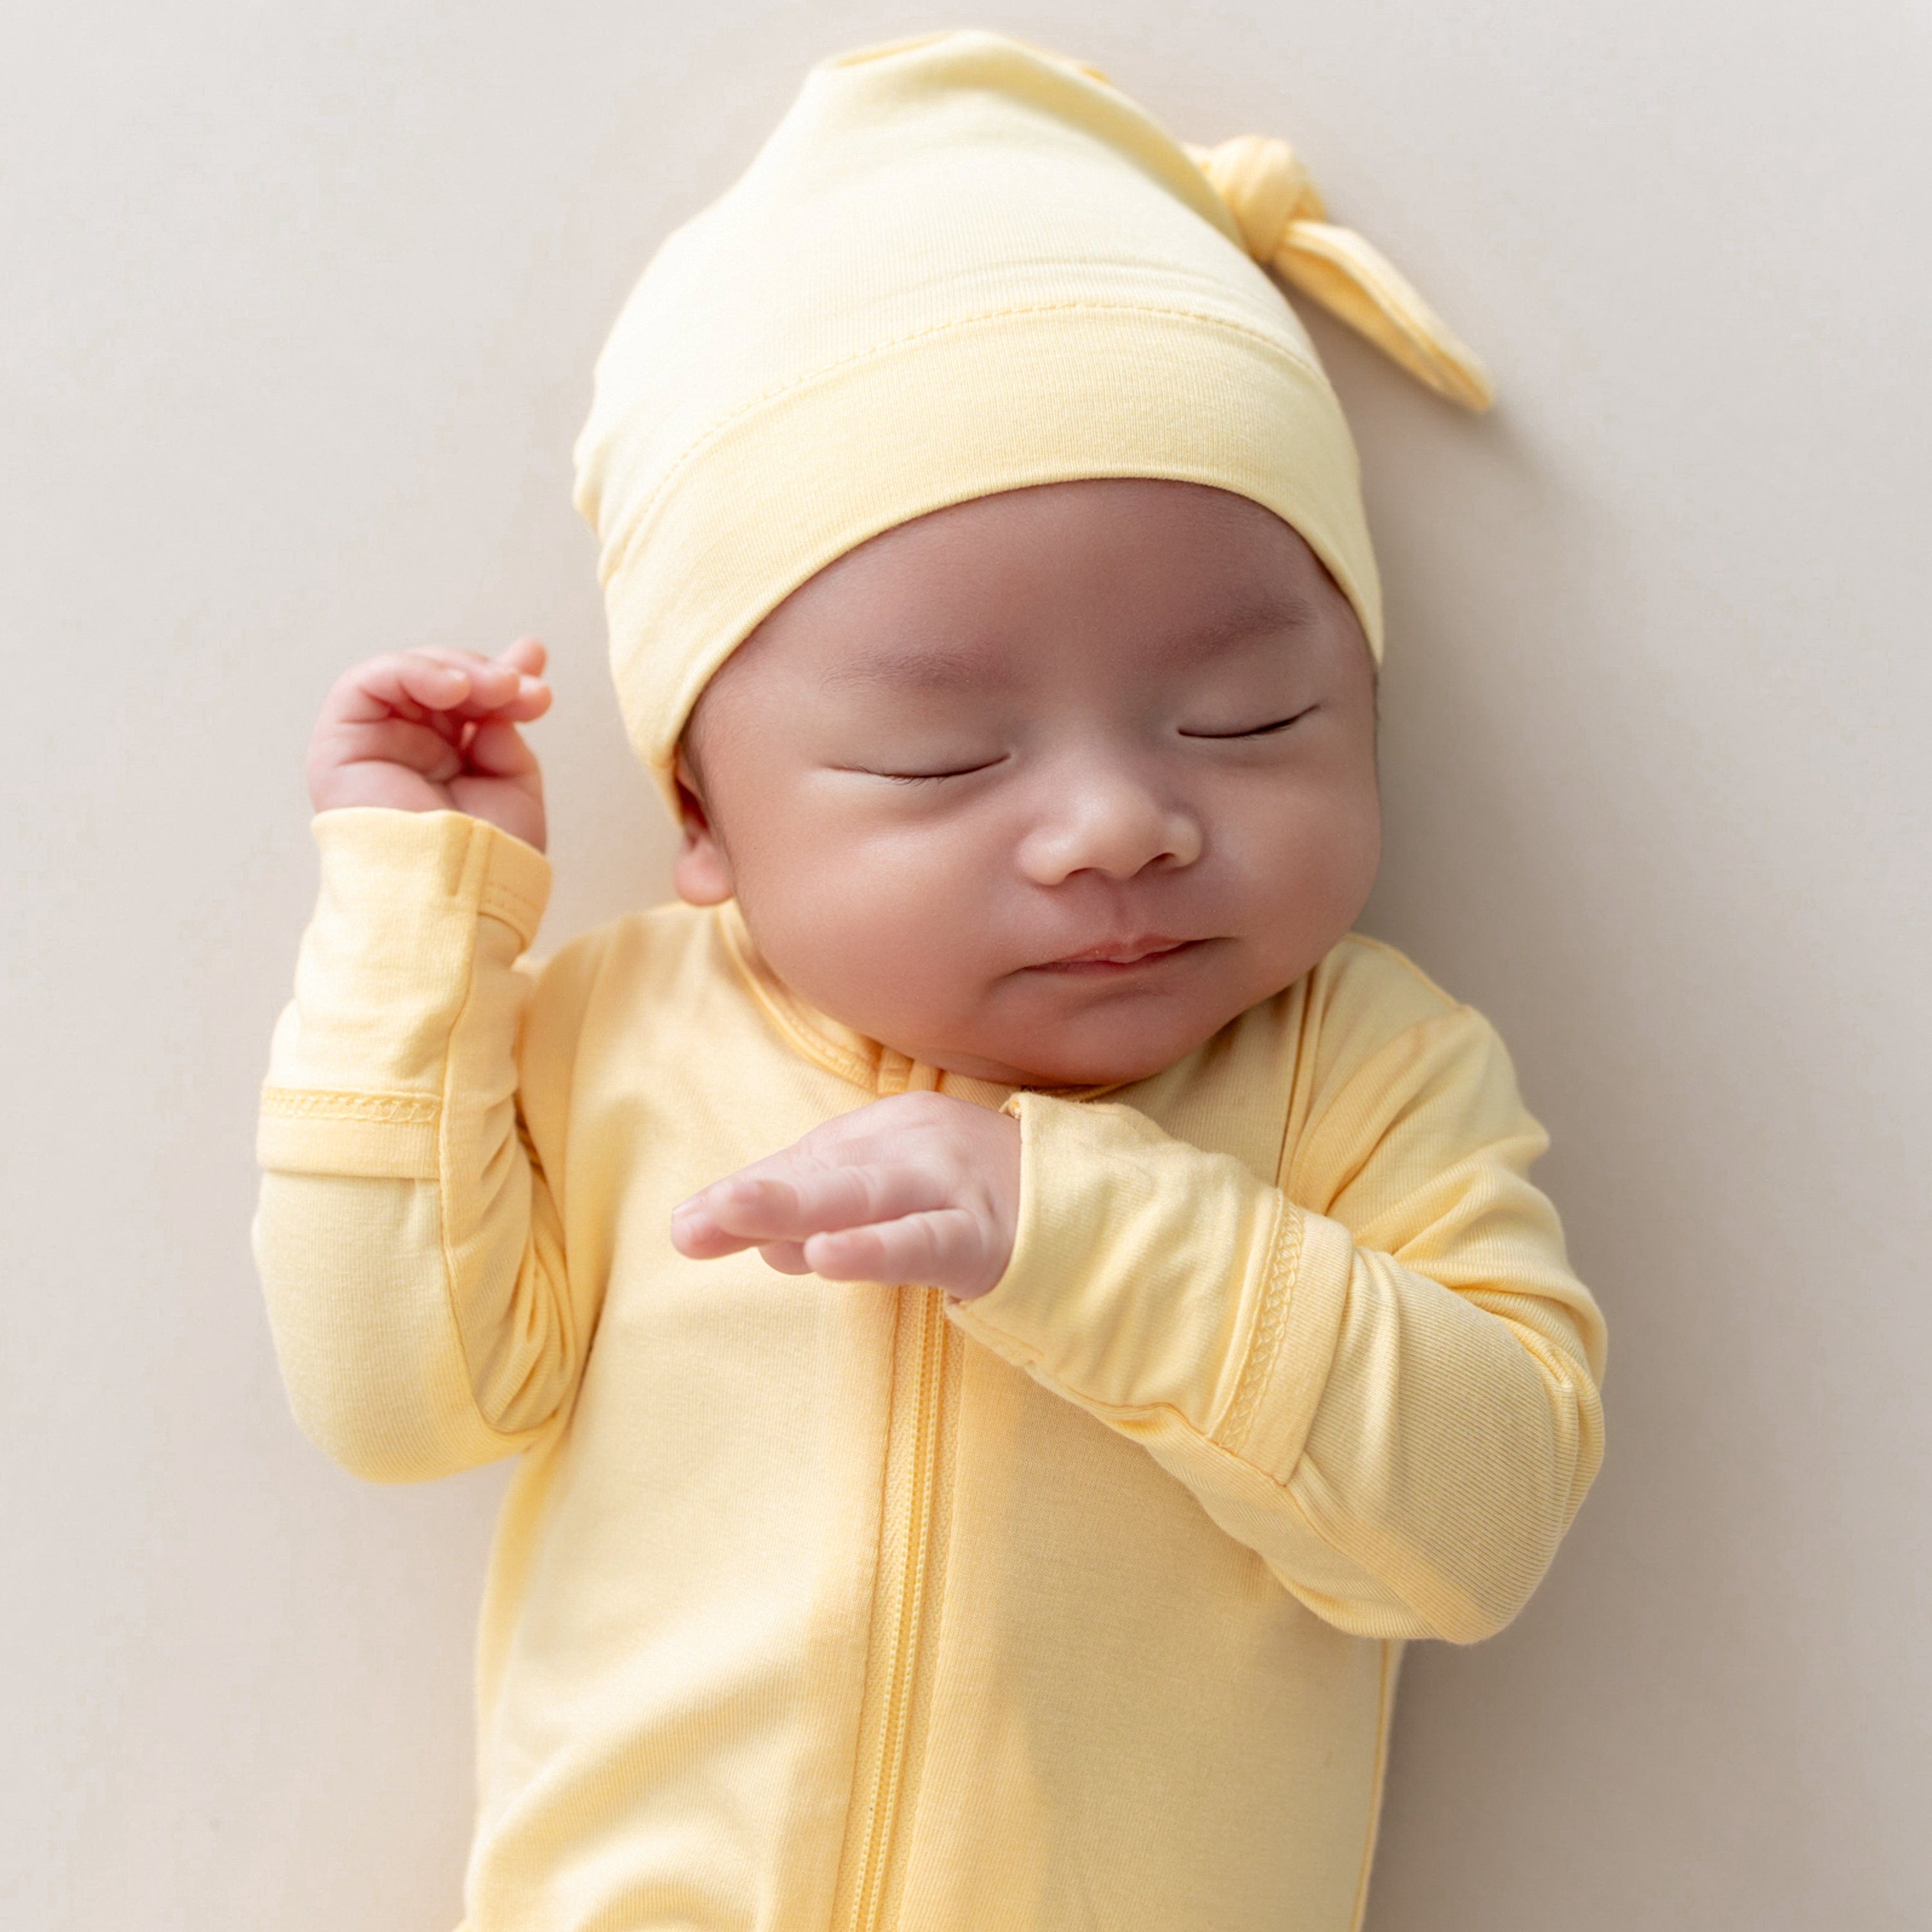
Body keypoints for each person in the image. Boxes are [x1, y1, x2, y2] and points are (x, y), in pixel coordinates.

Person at [254, 29, 1607, 1931]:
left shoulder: (1357, 1075)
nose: (1120, 823)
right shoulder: (615, 1041)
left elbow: (1480, 1525)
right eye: (947, 761)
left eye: (1250, 718)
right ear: (703, 821)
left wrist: (1073, 1221)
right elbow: (396, 1399)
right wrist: (415, 917)